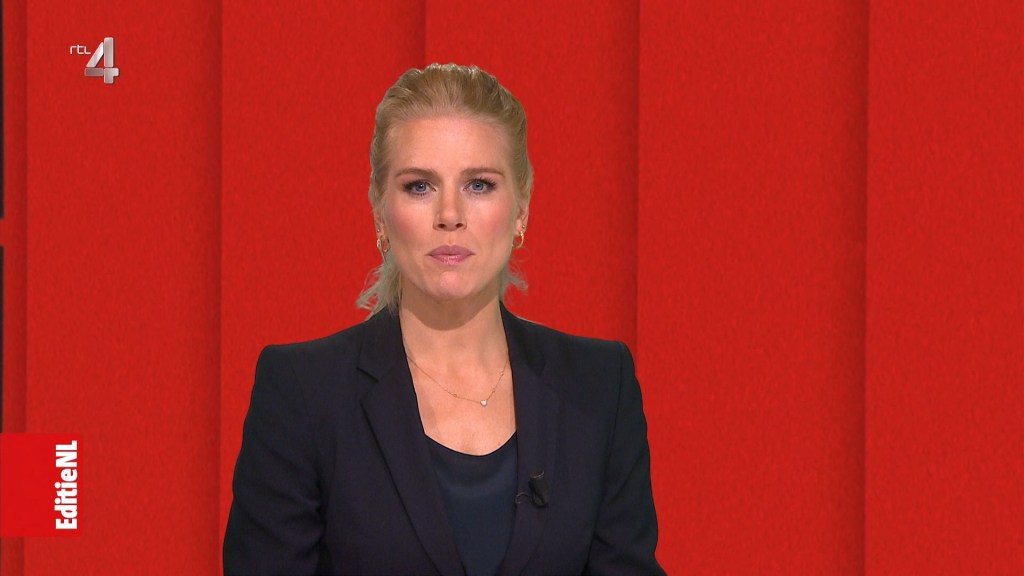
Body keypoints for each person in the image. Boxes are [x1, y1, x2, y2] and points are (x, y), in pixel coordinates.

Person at [223, 63, 664, 576]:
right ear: (380, 211)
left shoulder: (599, 386)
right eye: (419, 186)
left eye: (478, 184)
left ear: (521, 208)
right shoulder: (302, 393)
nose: (449, 214)